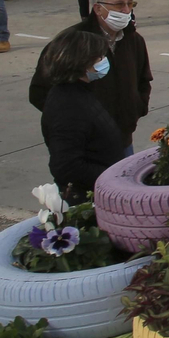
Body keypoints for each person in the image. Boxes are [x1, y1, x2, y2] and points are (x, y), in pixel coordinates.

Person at [29, 0, 154, 154]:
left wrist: (137, 108)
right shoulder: (72, 42)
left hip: (123, 140)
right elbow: (40, 91)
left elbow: (143, 80)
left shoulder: (134, 40)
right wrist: (75, 123)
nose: (126, 10)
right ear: (98, 8)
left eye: (130, 4)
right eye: (119, 4)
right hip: (85, 146)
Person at [36, 25, 128, 204]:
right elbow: (66, 165)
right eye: (99, 57)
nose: (103, 61)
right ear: (82, 61)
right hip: (88, 199)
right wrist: (112, 178)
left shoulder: (79, 92)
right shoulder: (67, 106)